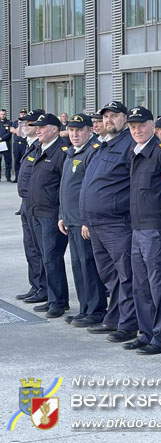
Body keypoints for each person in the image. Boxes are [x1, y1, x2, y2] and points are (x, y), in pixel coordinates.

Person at [80, 100, 139, 343]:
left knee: (126, 275)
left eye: (114, 116)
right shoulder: (102, 145)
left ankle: (128, 324)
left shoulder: (129, 144)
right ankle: (114, 318)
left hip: (117, 223)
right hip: (96, 223)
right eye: (106, 116)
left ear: (125, 119)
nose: (108, 120)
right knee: (109, 276)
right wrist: (86, 219)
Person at [122, 106, 161, 355]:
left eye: (142, 126)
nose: (137, 131)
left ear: (152, 126)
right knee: (141, 285)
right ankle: (146, 333)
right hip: (137, 228)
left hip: (156, 229)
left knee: (159, 287)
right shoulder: (134, 152)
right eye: (133, 127)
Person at [58, 113, 106, 327]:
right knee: (78, 266)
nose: (75, 134)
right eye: (72, 130)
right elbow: (65, 187)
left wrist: (87, 219)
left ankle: (95, 310)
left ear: (90, 131)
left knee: (89, 266)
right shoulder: (72, 152)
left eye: (79, 130)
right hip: (71, 219)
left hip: (84, 221)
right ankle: (85, 308)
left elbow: (91, 189)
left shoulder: (92, 152)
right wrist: (62, 215)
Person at [25, 113, 70, 318]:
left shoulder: (61, 151)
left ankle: (58, 302)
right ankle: (53, 297)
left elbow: (65, 186)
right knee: (44, 257)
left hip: (51, 214)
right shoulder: (40, 148)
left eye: (42, 127)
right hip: (36, 211)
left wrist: (62, 214)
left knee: (52, 258)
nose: (38, 130)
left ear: (54, 129)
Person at [15, 109, 47, 304]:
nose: (25, 126)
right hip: (26, 202)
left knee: (40, 248)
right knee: (30, 248)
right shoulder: (30, 145)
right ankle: (36, 286)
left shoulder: (40, 147)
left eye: (29, 123)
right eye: (24, 123)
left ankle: (43, 288)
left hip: (38, 204)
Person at [10, 108, 28, 182]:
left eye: (24, 113)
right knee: (17, 161)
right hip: (17, 144)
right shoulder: (15, 122)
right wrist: (19, 125)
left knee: (25, 161)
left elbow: (24, 133)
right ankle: (17, 177)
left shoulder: (28, 123)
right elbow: (14, 131)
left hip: (24, 144)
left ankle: (24, 178)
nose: (23, 115)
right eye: (21, 113)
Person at [0, 109, 12, 181]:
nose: (2, 115)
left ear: (6, 114)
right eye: (1, 114)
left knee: (8, 161)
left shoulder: (9, 122)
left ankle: (8, 177)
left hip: (6, 143)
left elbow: (9, 133)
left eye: (4, 114)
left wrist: (1, 138)